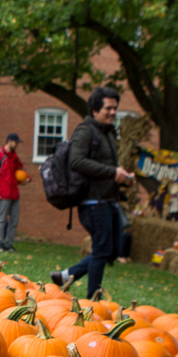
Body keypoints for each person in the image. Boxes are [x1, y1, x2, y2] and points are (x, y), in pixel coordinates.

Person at [51, 86, 135, 296]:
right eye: (109, 108)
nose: (113, 112)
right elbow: (76, 161)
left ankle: (67, 275)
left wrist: (122, 179)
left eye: (115, 108)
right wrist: (112, 172)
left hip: (108, 200)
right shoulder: (85, 130)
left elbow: (105, 169)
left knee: (113, 250)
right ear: (95, 110)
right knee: (101, 250)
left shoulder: (107, 133)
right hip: (92, 202)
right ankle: (91, 301)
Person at [0, 134, 23, 251]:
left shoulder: (14, 157)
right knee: (2, 219)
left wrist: (25, 179)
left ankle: (9, 244)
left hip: (14, 194)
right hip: (3, 193)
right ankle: (0, 243)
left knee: (14, 220)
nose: (17, 145)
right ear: (9, 141)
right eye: (15, 142)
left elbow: (19, 171)